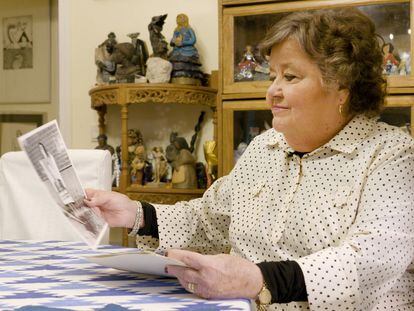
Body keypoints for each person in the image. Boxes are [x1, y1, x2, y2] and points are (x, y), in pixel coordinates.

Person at [84, 8, 414, 310]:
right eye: (272, 76)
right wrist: (138, 214)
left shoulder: (391, 153)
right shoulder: (264, 146)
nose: (272, 90)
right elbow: (210, 219)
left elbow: (373, 258)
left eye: (291, 76)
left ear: (342, 87)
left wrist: (259, 280)